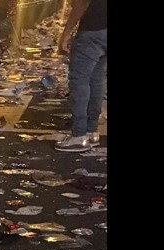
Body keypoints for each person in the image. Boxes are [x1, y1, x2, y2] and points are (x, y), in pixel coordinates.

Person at [55, 0, 106, 153]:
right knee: (96, 79)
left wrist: (65, 33)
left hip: (92, 31)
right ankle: (92, 131)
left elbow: (81, 4)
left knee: (80, 80)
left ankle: (79, 134)